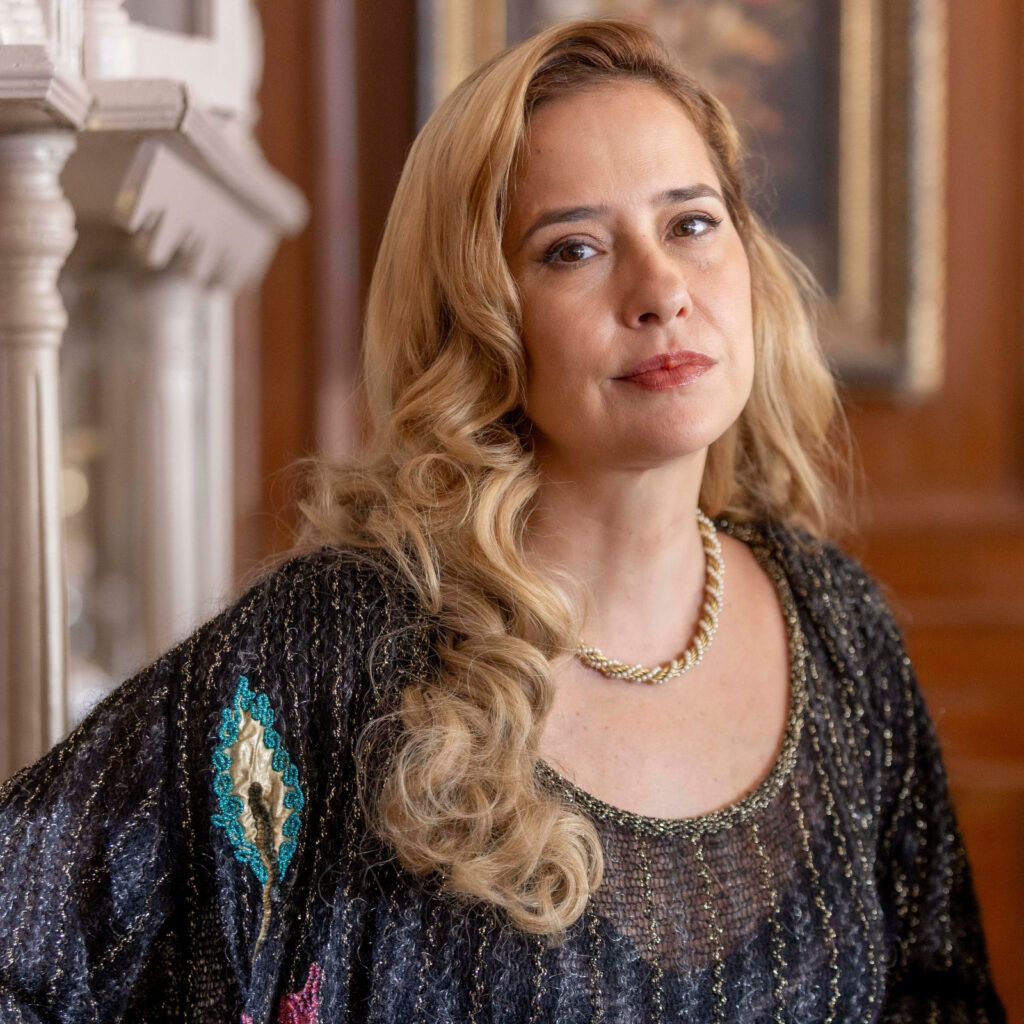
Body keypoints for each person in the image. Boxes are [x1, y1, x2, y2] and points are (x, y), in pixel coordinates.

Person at [0, 18, 1004, 1024]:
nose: (660, 291)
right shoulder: (333, 645)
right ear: (478, 316)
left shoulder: (836, 625)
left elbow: (941, 1000)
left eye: (692, 224)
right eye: (573, 248)